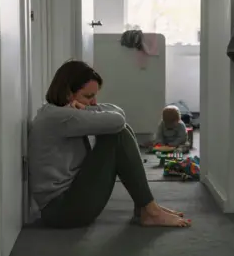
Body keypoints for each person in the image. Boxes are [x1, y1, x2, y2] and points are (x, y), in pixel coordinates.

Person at [28, 60, 191, 228]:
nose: (94, 103)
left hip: (64, 203)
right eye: (88, 97)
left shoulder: (56, 112)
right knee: (117, 134)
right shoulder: (62, 117)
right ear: (68, 94)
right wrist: (87, 111)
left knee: (119, 130)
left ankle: (146, 207)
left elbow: (118, 113)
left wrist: (86, 108)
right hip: (62, 210)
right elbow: (117, 120)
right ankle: (149, 209)